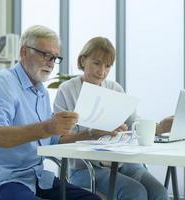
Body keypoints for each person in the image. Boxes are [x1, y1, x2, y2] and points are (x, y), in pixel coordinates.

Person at [0, 25, 101, 200]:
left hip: (37, 179)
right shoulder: (2, 84)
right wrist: (48, 127)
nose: (50, 62)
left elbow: (55, 140)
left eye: (54, 57)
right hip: (0, 182)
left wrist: (92, 134)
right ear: (24, 52)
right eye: (44, 54)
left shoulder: (41, 92)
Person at [54, 36, 172, 200]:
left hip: (121, 162)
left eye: (107, 66)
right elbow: (61, 139)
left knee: (159, 192)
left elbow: (134, 124)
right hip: (85, 168)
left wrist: (160, 127)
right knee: (135, 192)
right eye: (96, 63)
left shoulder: (115, 89)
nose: (102, 71)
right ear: (83, 60)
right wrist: (92, 133)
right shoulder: (67, 90)